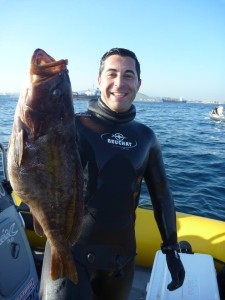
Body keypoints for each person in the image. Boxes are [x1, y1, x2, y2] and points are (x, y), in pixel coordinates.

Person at [40, 48, 185, 299]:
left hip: (122, 261)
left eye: (128, 75)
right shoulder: (72, 126)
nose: (120, 83)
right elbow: (36, 164)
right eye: (112, 74)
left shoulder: (146, 137)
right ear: (99, 80)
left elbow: (162, 196)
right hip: (68, 254)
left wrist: (171, 249)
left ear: (138, 83)